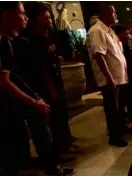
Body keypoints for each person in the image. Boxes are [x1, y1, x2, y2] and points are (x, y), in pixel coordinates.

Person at [0, 2, 74, 176]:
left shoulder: (12, 40)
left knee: (26, 133)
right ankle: (30, 170)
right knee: (26, 132)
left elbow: (14, 75)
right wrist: (33, 100)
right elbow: (7, 79)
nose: (24, 18)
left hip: (26, 95)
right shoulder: (10, 42)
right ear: (7, 15)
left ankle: (32, 165)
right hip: (12, 100)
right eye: (21, 13)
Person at [23, 2, 81, 158]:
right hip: (44, 88)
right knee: (48, 123)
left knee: (61, 115)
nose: (49, 21)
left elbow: (53, 57)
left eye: (49, 17)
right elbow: (38, 68)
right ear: (33, 19)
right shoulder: (29, 40)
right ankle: (55, 154)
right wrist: (51, 89)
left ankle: (65, 144)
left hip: (56, 82)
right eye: (45, 18)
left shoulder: (49, 35)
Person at [87, 3, 132, 147]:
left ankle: (121, 128)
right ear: (104, 14)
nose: (115, 15)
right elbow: (99, 55)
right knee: (112, 108)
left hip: (118, 77)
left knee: (119, 106)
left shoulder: (109, 30)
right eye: (113, 13)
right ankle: (114, 136)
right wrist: (109, 78)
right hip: (110, 79)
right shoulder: (97, 30)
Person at [115, 24, 132, 122]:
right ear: (119, 34)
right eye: (126, 33)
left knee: (130, 95)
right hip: (124, 74)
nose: (128, 35)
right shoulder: (119, 44)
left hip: (129, 73)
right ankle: (129, 116)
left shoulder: (125, 43)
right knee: (125, 97)